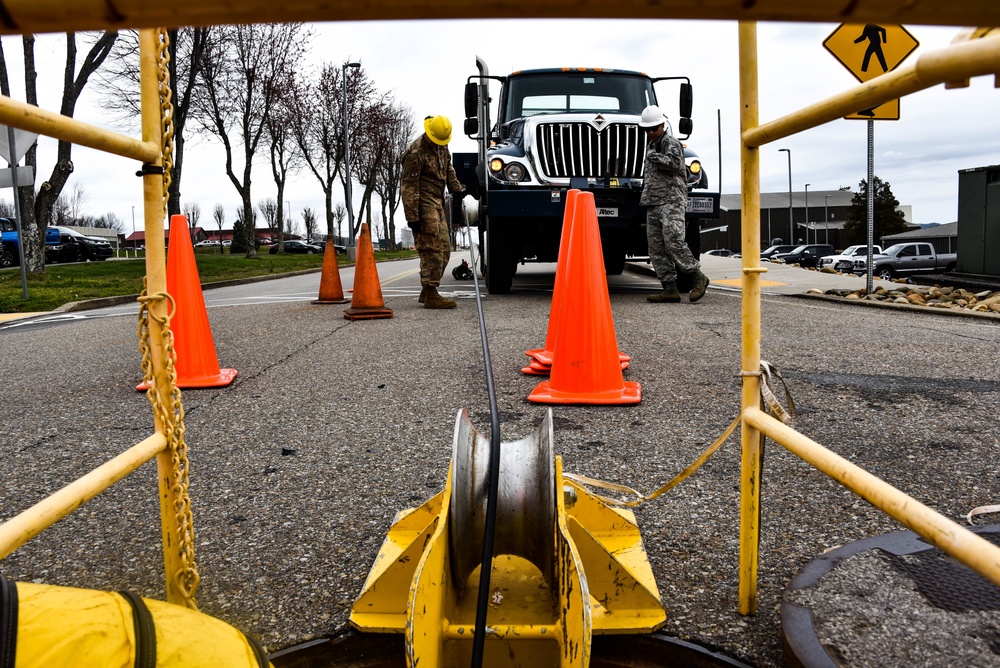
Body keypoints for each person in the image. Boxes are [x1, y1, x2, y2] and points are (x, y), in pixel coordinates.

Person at [638, 105, 709, 303]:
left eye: (654, 128)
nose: (651, 133)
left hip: (671, 200)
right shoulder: (651, 146)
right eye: (647, 129)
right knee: (656, 248)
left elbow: (675, 164)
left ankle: (698, 277)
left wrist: (654, 157)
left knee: (674, 241)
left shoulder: (671, 143)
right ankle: (669, 288)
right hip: (653, 202)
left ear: (662, 125)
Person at [401, 115, 468, 309]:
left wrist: (456, 189)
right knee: (432, 248)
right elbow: (408, 186)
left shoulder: (441, 146)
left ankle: (427, 291)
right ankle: (430, 291)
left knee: (445, 248)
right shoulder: (415, 152)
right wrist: (412, 216)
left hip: (438, 202)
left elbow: (448, 168)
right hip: (422, 203)